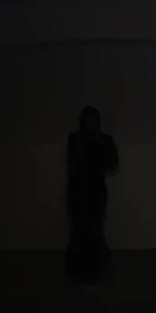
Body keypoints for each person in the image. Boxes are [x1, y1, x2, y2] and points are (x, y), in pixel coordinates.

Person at [66, 106, 118, 277]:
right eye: (87, 119)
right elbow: (73, 164)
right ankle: (84, 268)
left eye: (92, 119)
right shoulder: (76, 139)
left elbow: (113, 165)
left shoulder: (102, 140)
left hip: (94, 191)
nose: (90, 123)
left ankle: (94, 267)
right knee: (81, 230)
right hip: (79, 190)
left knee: (94, 229)